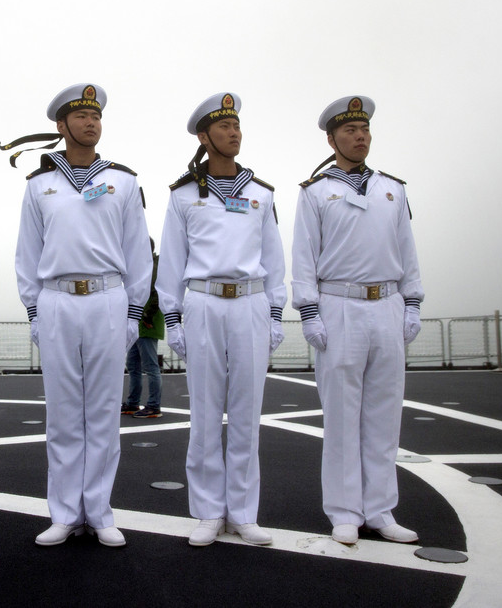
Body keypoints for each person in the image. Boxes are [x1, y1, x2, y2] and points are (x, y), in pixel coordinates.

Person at [10, 83, 152, 548]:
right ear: (61, 126)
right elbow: (27, 255)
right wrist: (33, 310)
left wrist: (134, 312)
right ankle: (65, 512)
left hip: (108, 299)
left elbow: (138, 253)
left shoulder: (124, 181)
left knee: (105, 412)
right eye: (81, 116)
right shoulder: (39, 185)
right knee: (65, 414)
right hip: (57, 299)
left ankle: (101, 511)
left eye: (96, 116)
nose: (91, 123)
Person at [291, 96, 424, 545]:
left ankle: (382, 510)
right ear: (331, 139)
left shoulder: (393, 189)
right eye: (348, 131)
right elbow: (304, 257)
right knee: (343, 417)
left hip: (386, 303)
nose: (359, 136)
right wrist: (308, 311)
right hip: (339, 306)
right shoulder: (315, 192)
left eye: (364, 129)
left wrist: (413, 303)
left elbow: (407, 250)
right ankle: (345, 511)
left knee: (385, 416)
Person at [156, 93, 286, 547]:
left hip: (250, 302)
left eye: (237, 126)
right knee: (206, 415)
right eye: (224, 127)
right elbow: (170, 264)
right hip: (204, 303)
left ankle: (244, 513)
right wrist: (172, 318)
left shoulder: (261, 194)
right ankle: (209, 511)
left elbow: (274, 260)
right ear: (203, 136)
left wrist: (275, 314)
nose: (234, 133)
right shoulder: (183, 196)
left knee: (248, 414)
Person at [123, 238, 164, 418]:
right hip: (138, 321)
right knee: (133, 365)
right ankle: (133, 403)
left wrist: (146, 316)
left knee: (150, 366)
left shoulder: (153, 266)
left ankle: (154, 406)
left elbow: (157, 293)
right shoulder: (146, 265)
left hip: (147, 322)